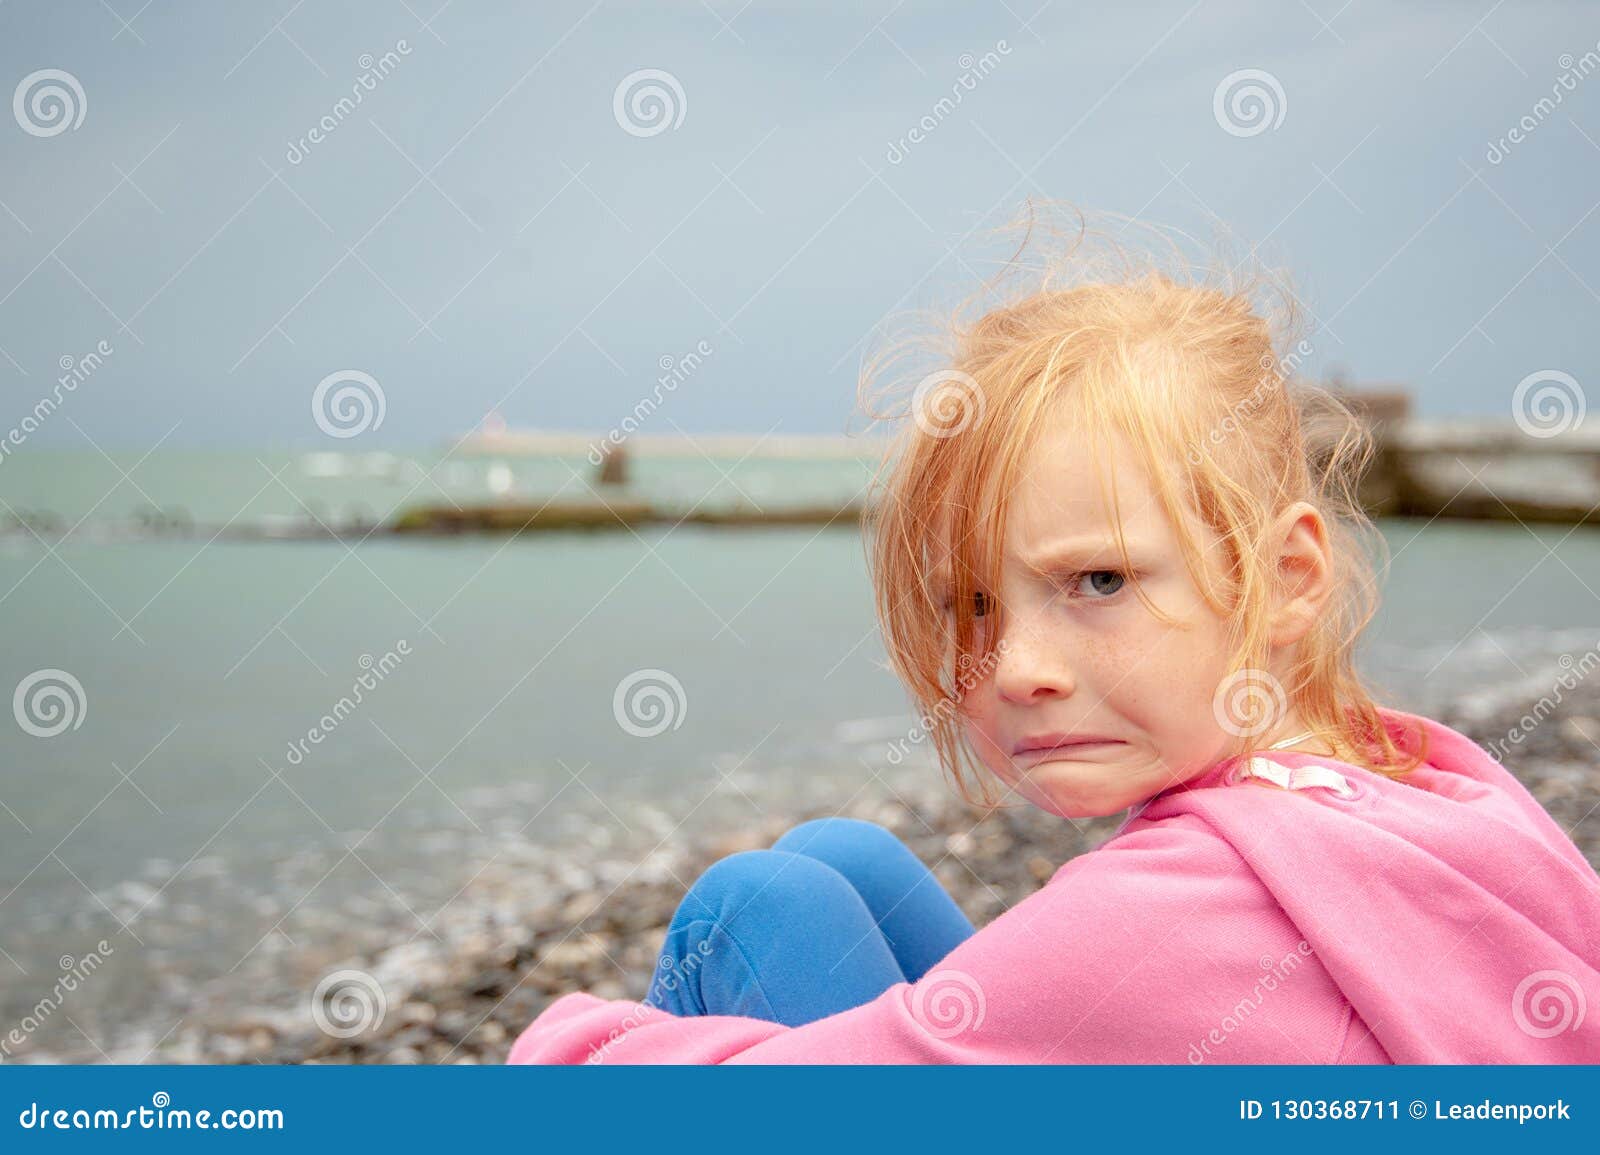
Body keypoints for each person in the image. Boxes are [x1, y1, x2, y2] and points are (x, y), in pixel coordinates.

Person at [508, 211, 1600, 1064]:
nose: (1016, 671)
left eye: (1097, 580)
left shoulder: (1163, 924)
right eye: (972, 606)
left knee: (743, 912)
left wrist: (563, 1046)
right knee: (836, 864)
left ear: (1285, 578)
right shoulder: (1434, 785)